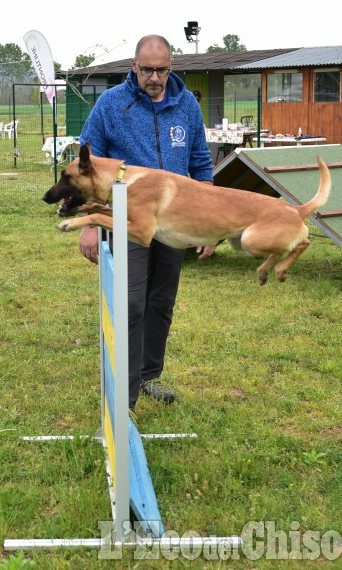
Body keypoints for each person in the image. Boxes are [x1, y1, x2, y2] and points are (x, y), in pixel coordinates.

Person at [78, 35, 215, 412]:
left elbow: (201, 165)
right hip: (126, 219)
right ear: (134, 66)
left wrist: (207, 224)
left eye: (162, 69)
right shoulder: (110, 105)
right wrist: (91, 222)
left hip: (175, 222)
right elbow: (88, 165)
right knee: (132, 303)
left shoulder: (187, 105)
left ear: (171, 67)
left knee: (160, 302)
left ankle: (148, 375)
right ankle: (125, 398)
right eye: (147, 69)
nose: (155, 77)